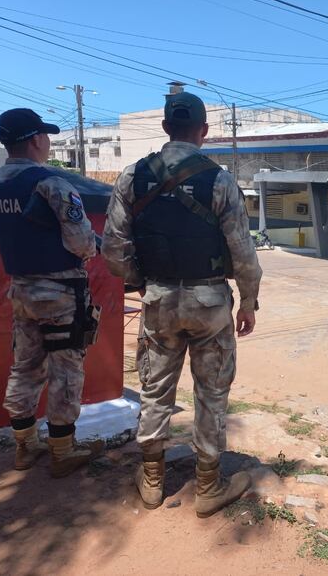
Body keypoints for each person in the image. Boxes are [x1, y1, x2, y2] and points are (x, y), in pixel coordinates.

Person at [102, 91, 262, 516]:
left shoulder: (131, 177)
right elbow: (243, 251)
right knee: (212, 393)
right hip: (210, 303)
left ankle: (152, 480)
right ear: (204, 132)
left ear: (165, 127)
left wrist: (142, 282)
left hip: (158, 300)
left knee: (155, 390)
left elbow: (113, 250)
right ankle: (208, 485)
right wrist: (248, 301)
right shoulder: (221, 181)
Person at [0, 108, 102, 478]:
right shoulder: (52, 182)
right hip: (61, 292)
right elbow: (82, 243)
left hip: (21, 291)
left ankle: (24, 445)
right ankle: (62, 450)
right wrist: (97, 246)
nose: (47, 142)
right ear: (35, 140)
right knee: (66, 369)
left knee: (25, 366)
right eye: (45, 136)